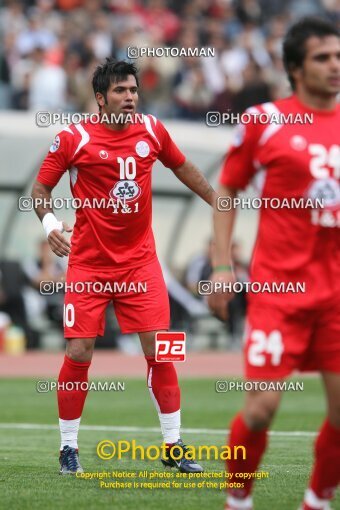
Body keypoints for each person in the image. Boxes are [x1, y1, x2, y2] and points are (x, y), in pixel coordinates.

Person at [31, 58, 216, 475]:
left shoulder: (152, 130)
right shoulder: (73, 138)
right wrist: (49, 224)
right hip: (89, 266)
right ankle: (67, 448)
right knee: (79, 352)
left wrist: (218, 200)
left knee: (162, 351)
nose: (130, 97)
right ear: (101, 98)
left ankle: (173, 444)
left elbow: (183, 166)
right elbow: (41, 188)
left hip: (140, 265)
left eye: (133, 90)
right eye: (120, 91)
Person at [208, 17, 340, 510]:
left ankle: (316, 501)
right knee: (261, 410)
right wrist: (222, 267)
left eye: (338, 56)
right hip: (277, 294)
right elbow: (227, 190)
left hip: (336, 295)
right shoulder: (265, 121)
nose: (335, 66)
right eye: (323, 58)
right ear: (295, 69)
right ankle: (238, 500)